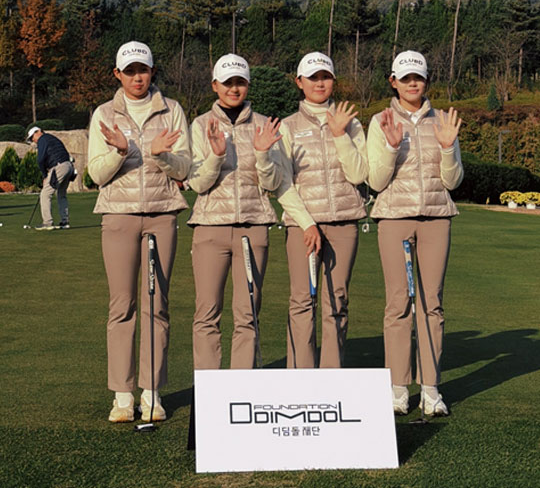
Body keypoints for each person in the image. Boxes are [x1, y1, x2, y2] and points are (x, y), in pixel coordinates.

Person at [87, 41, 191, 423]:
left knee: (157, 305)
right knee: (122, 306)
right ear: (117, 74)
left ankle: (152, 393)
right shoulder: (104, 114)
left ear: (152, 71)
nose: (137, 77)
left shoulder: (172, 110)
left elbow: (185, 169)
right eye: (129, 71)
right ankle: (122, 396)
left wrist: (161, 155)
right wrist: (120, 151)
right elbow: (96, 174)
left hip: (162, 215)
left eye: (142, 70)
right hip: (119, 216)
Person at [367, 50, 463, 416]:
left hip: (436, 217)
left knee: (431, 303)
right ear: (393, 81)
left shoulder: (443, 120)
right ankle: (397, 388)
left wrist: (448, 147)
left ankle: (430, 389)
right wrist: (391, 147)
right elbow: (376, 181)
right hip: (395, 218)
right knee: (398, 304)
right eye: (405, 78)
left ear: (426, 80)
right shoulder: (381, 120)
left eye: (418, 77)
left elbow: (453, 180)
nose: (412, 83)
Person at [188, 53, 282, 370]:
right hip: (210, 227)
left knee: (248, 313)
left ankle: (242, 387)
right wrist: (216, 156)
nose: (234, 88)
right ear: (215, 85)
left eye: (240, 82)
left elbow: (271, 183)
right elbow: (198, 183)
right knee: (206, 313)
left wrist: (263, 154)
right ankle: (209, 388)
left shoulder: (264, 125)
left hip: (253, 227)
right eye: (227, 82)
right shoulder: (200, 124)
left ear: (248, 85)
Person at [276, 52, 369, 368]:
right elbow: (283, 183)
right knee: (302, 301)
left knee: (337, 302)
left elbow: (358, 174)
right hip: (303, 227)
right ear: (299, 82)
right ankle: (300, 377)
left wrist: (340, 134)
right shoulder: (288, 126)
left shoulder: (350, 122)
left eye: (325, 77)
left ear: (333, 81)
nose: (319, 83)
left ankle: (332, 377)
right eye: (313, 77)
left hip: (344, 223)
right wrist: (307, 223)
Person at [27, 126, 74, 230]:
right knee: (61, 194)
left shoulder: (42, 139)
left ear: (38, 132)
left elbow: (40, 159)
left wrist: (44, 175)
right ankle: (65, 222)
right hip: (69, 166)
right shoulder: (51, 138)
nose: (33, 140)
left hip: (59, 167)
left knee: (45, 194)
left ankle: (47, 222)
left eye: (32, 137)